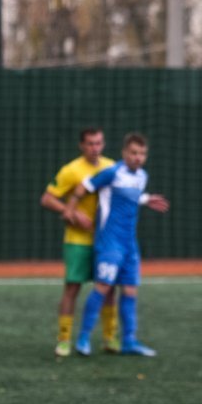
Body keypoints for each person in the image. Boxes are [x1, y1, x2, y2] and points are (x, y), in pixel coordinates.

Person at [64, 133, 170, 357]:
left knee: (130, 290)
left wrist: (145, 199)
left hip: (129, 244)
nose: (138, 157)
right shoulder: (112, 172)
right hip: (109, 243)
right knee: (103, 287)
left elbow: (130, 195)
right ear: (124, 153)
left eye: (142, 154)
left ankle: (129, 341)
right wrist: (70, 209)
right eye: (133, 153)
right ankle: (83, 338)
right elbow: (84, 187)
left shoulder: (142, 176)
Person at [41, 128, 120, 357]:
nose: (95, 148)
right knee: (72, 288)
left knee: (108, 289)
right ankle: (64, 339)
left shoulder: (112, 167)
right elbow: (47, 199)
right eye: (90, 144)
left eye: (98, 143)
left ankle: (110, 338)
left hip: (105, 241)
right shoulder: (71, 170)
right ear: (81, 146)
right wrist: (73, 213)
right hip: (77, 240)